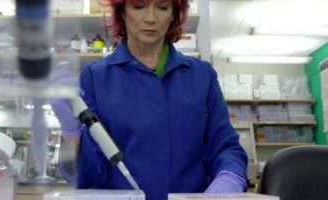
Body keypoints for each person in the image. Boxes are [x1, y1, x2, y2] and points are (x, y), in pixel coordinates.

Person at [51, 0, 247, 199]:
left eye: (162, 7)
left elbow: (225, 146)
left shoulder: (202, 76)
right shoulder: (95, 77)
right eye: (139, 6)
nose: (151, 18)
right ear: (123, 12)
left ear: (173, 14)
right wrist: (71, 133)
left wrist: (229, 179)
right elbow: (89, 174)